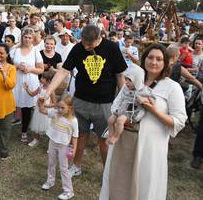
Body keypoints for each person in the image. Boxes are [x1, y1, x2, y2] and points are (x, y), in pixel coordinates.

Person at [100, 43, 187, 200]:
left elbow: (179, 121)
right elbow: (116, 103)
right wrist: (120, 116)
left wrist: (154, 111)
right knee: (119, 181)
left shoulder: (172, 87)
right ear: (144, 59)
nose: (154, 62)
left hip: (149, 146)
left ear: (165, 62)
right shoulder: (132, 82)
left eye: (159, 59)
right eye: (150, 57)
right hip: (124, 141)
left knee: (144, 186)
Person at [43, 25, 127, 177]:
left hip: (105, 103)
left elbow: (120, 75)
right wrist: (49, 91)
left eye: (90, 45)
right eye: (84, 43)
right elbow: (63, 71)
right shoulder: (78, 48)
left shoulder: (111, 48)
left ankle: (107, 172)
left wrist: (123, 101)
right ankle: (76, 165)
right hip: (80, 100)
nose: (86, 47)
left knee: (104, 139)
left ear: (99, 38)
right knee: (79, 135)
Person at [39, 96, 78, 200]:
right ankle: (50, 181)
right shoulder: (54, 113)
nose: (60, 110)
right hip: (52, 142)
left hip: (64, 146)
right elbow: (42, 110)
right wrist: (40, 103)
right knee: (51, 163)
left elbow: (75, 136)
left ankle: (69, 191)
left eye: (62, 108)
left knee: (63, 168)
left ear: (69, 108)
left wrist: (73, 149)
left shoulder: (73, 121)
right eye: (58, 107)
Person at [106, 64, 155, 145]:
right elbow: (120, 98)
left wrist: (144, 100)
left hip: (131, 111)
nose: (126, 82)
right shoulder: (125, 88)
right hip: (122, 108)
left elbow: (153, 100)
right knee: (111, 120)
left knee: (120, 120)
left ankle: (116, 136)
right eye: (126, 79)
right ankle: (110, 135)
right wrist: (116, 108)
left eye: (130, 80)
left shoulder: (143, 90)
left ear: (137, 80)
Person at [11, 28, 44, 142]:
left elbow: (41, 70)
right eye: (25, 37)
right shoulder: (15, 50)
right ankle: (3, 128)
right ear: (22, 37)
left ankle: (24, 131)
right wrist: (17, 66)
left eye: (30, 37)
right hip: (16, 80)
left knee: (26, 107)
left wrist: (30, 69)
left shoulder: (35, 51)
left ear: (33, 38)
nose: (27, 39)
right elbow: (8, 65)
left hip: (30, 81)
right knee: (12, 104)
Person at [23, 71, 56, 147]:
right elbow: (32, 94)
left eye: (43, 78)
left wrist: (45, 105)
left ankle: (50, 143)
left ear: (49, 81)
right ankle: (36, 139)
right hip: (38, 110)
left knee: (48, 127)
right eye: (41, 77)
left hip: (46, 111)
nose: (41, 79)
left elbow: (54, 103)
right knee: (37, 124)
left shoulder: (51, 90)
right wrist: (27, 89)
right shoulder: (40, 87)